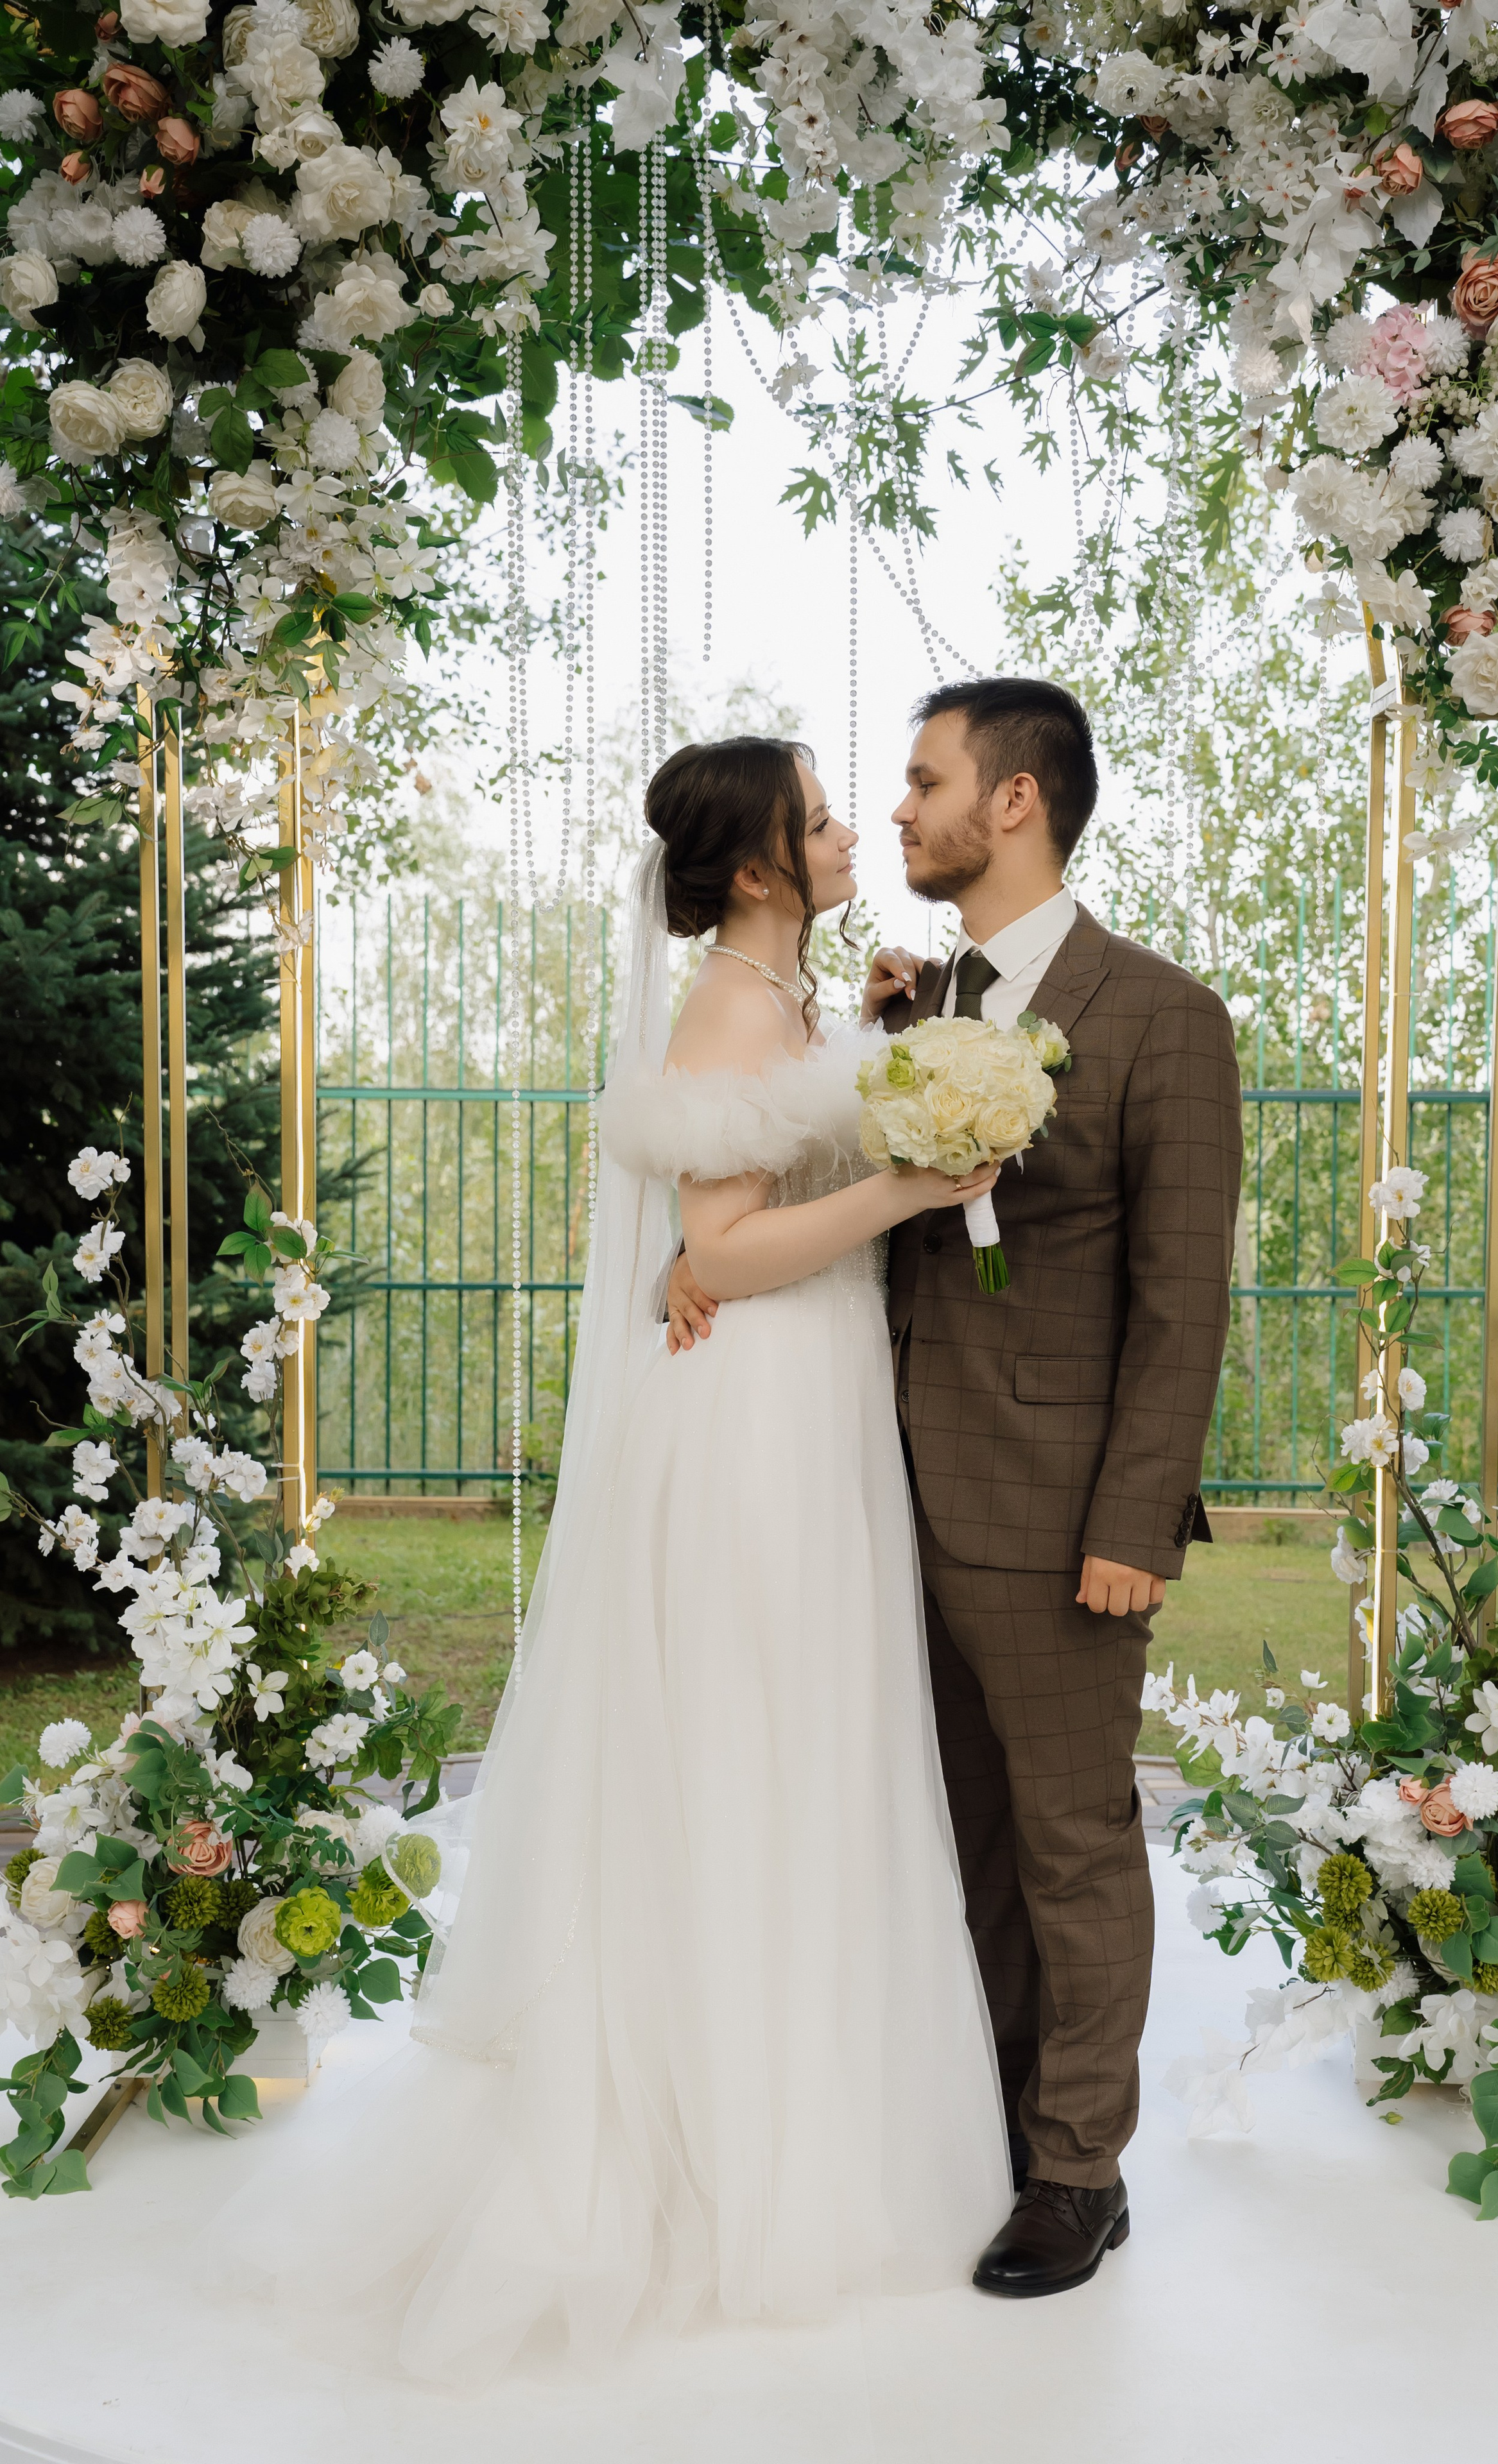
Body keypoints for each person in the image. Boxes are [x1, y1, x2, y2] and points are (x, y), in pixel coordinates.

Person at [214, 735, 1010, 2381]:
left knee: (804, 1755)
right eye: (818, 810)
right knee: (738, 1751)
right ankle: (714, 2166)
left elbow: (733, 1201)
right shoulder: (725, 1005)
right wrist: (908, 1190)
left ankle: (790, 2127)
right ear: (753, 868)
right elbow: (720, 1250)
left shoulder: (782, 1002)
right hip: (754, 1421)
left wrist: (871, 1054)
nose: (851, 821)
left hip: (812, 1401)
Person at [668, 680, 1243, 2298]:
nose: (896, 810)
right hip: (864, 1498)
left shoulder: (1158, 1017)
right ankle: (981, 2123)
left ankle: (1075, 2173)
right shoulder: (915, 1007)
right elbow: (817, 1186)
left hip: (1057, 1515)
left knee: (1070, 1841)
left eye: (920, 784)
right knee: (951, 1835)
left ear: (1012, 803)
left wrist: (1133, 1524)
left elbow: (1180, 1303)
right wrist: (692, 1258)